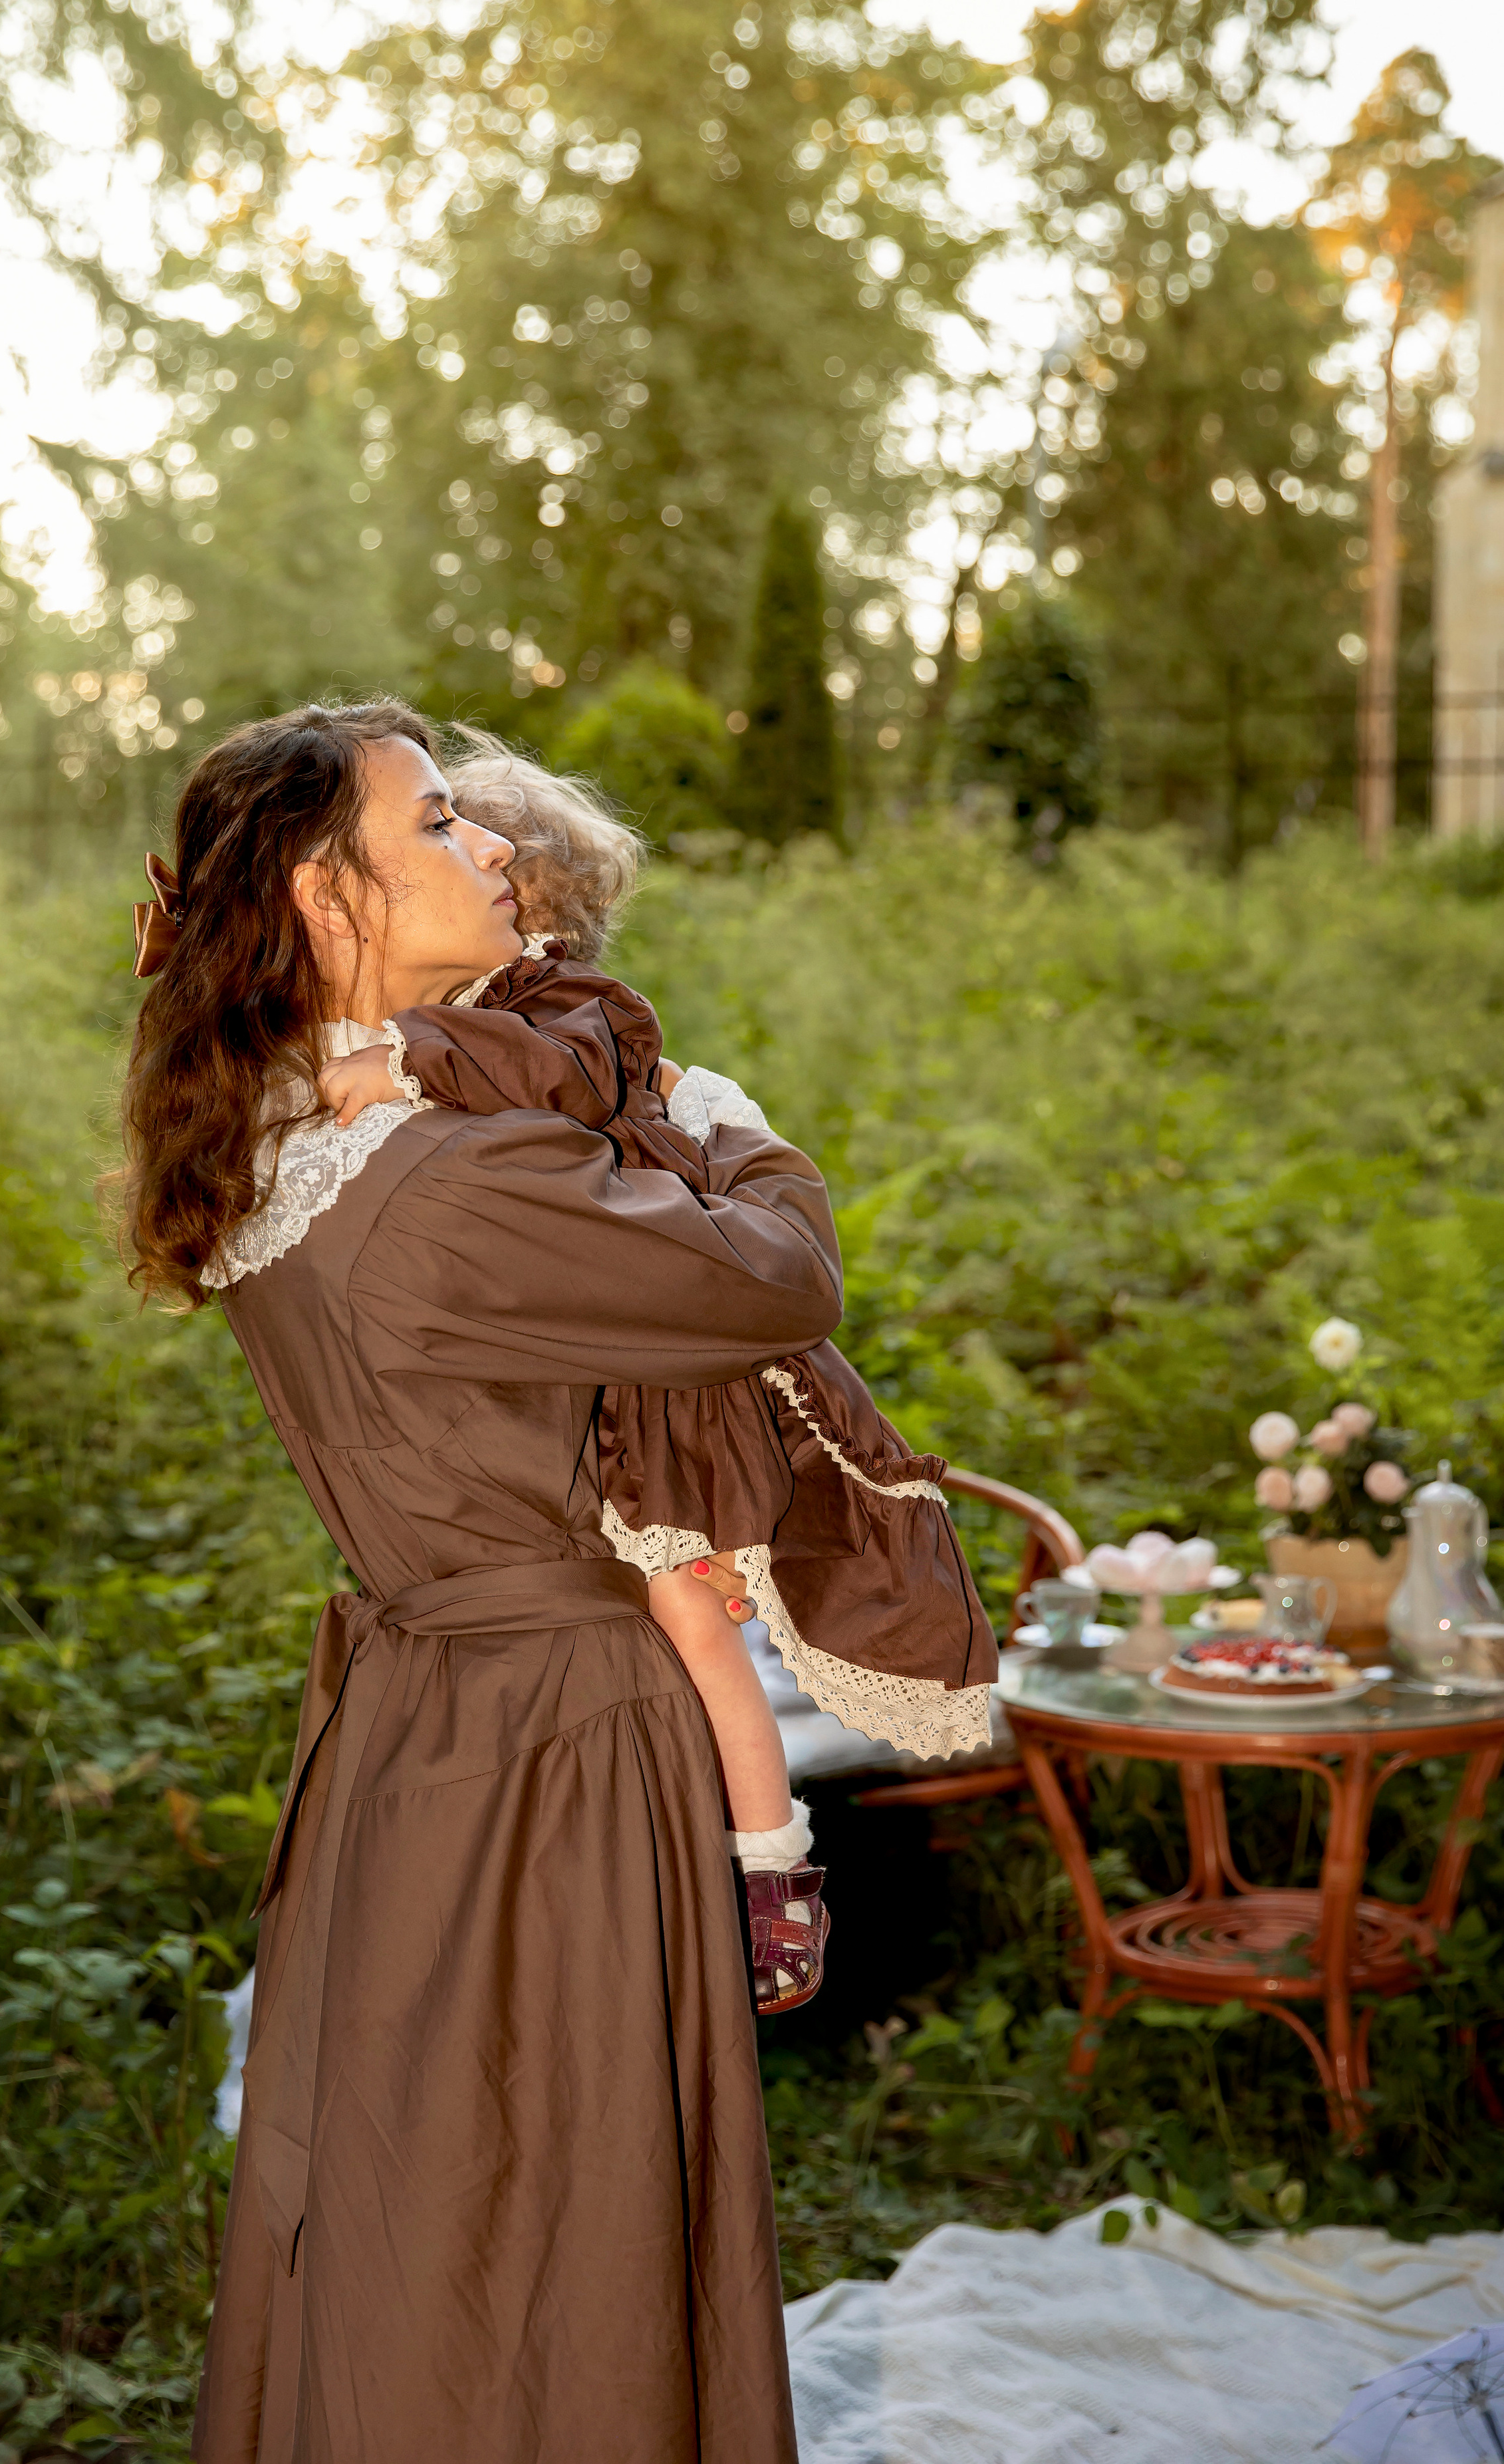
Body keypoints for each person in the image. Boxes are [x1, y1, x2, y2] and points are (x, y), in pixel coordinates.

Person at [120, 696, 846, 2464]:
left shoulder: (286, 1150)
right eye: (440, 821)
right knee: (563, 2243)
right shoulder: (446, 1184)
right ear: (323, 889)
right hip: (558, 1755)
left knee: (415, 2211)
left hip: (411, 1734)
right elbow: (775, 1279)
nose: (494, 845)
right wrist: (705, 1110)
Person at [312, 742, 995, 2008]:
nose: (488, 871)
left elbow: (724, 1256)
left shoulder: (561, 1020)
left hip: (669, 1392)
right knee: (690, 1614)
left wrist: (403, 1060)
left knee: (695, 1616)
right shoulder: (472, 1052)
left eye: (490, 856)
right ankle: (763, 1846)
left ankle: (774, 1860)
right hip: (614, 1401)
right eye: (451, 838)